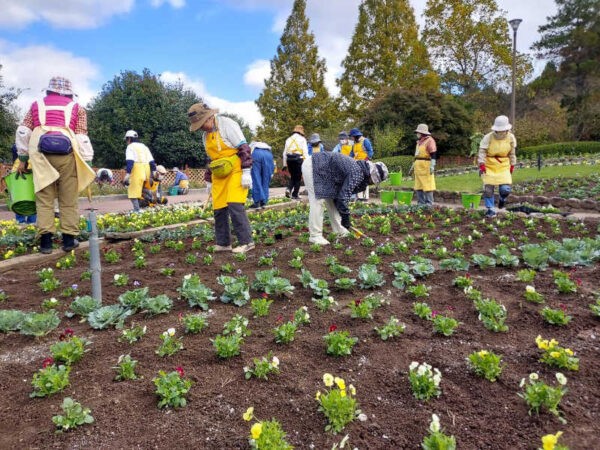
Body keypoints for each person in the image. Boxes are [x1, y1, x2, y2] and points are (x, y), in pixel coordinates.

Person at [15, 76, 95, 253]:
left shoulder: (36, 105)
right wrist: (87, 160)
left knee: (44, 199)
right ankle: (68, 240)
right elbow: (82, 137)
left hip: (41, 154)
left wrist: (22, 158)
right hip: (67, 155)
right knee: (68, 198)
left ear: (49, 90)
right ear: (69, 93)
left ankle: (46, 243)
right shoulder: (77, 108)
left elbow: (22, 131)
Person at [187, 103, 255, 253]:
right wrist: (208, 179)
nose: (202, 128)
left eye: (202, 123)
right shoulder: (205, 136)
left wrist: (246, 171)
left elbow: (244, 148)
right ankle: (224, 243)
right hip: (219, 174)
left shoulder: (227, 125)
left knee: (235, 204)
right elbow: (210, 160)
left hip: (236, 169)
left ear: (210, 117)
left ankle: (246, 242)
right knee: (218, 207)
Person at [301, 151, 388, 245]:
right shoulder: (358, 172)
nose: (372, 183)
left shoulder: (361, 171)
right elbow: (343, 197)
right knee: (318, 200)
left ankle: (339, 230)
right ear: (373, 175)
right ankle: (315, 236)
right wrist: (346, 218)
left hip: (324, 171)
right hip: (314, 165)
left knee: (331, 199)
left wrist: (344, 217)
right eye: (374, 180)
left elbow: (339, 197)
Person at [478, 115, 517, 218]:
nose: (501, 132)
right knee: (488, 189)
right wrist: (481, 164)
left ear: (507, 129)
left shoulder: (511, 137)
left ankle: (502, 199)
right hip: (489, 164)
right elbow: (482, 151)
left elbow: (512, 153)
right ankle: (490, 209)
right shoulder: (488, 137)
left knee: (505, 189)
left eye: (503, 130)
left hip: (504, 164)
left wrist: (512, 165)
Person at [123, 130, 157, 212]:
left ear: (129, 139)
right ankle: (150, 199)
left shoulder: (130, 147)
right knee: (143, 188)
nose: (126, 142)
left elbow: (130, 161)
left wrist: (128, 174)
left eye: (126, 140)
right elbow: (151, 161)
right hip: (146, 170)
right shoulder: (144, 146)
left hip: (137, 170)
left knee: (132, 192)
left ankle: (137, 210)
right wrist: (154, 171)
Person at [10, 143, 37, 224]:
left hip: (20, 174)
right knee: (31, 200)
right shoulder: (32, 145)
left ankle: (23, 222)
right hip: (26, 173)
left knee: (20, 199)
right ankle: (30, 223)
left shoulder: (18, 146)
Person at [413, 124, 437, 207]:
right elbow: (417, 155)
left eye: (418, 132)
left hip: (425, 165)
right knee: (418, 185)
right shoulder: (419, 142)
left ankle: (429, 204)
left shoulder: (430, 141)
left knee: (427, 185)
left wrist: (432, 165)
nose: (417, 134)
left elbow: (433, 153)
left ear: (422, 133)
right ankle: (420, 203)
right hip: (418, 166)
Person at [282, 125, 308, 199]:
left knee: (293, 176)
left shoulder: (288, 139)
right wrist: (306, 164)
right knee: (298, 178)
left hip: (289, 159)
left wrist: (284, 164)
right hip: (298, 159)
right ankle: (295, 194)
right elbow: (305, 152)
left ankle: (288, 189)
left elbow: (284, 153)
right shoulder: (302, 139)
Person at [349, 128, 374, 200]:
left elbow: (370, 151)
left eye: (352, 137)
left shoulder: (365, 141)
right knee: (358, 179)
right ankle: (359, 197)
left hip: (365, 163)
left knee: (366, 179)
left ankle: (366, 197)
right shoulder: (354, 144)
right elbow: (351, 154)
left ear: (356, 136)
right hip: (356, 164)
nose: (352, 138)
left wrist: (366, 159)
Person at [249, 141, 275, 209]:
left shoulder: (252, 145)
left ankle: (257, 202)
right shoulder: (265, 145)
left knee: (256, 178)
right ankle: (263, 202)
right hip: (268, 155)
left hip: (256, 154)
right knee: (265, 179)